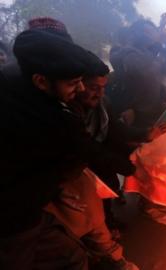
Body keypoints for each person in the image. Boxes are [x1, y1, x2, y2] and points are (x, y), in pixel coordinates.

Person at [0, 28, 91, 270]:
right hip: (13, 221)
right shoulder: (31, 117)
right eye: (73, 83)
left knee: (73, 257)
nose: (81, 89)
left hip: (32, 208)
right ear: (40, 81)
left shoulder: (34, 96)